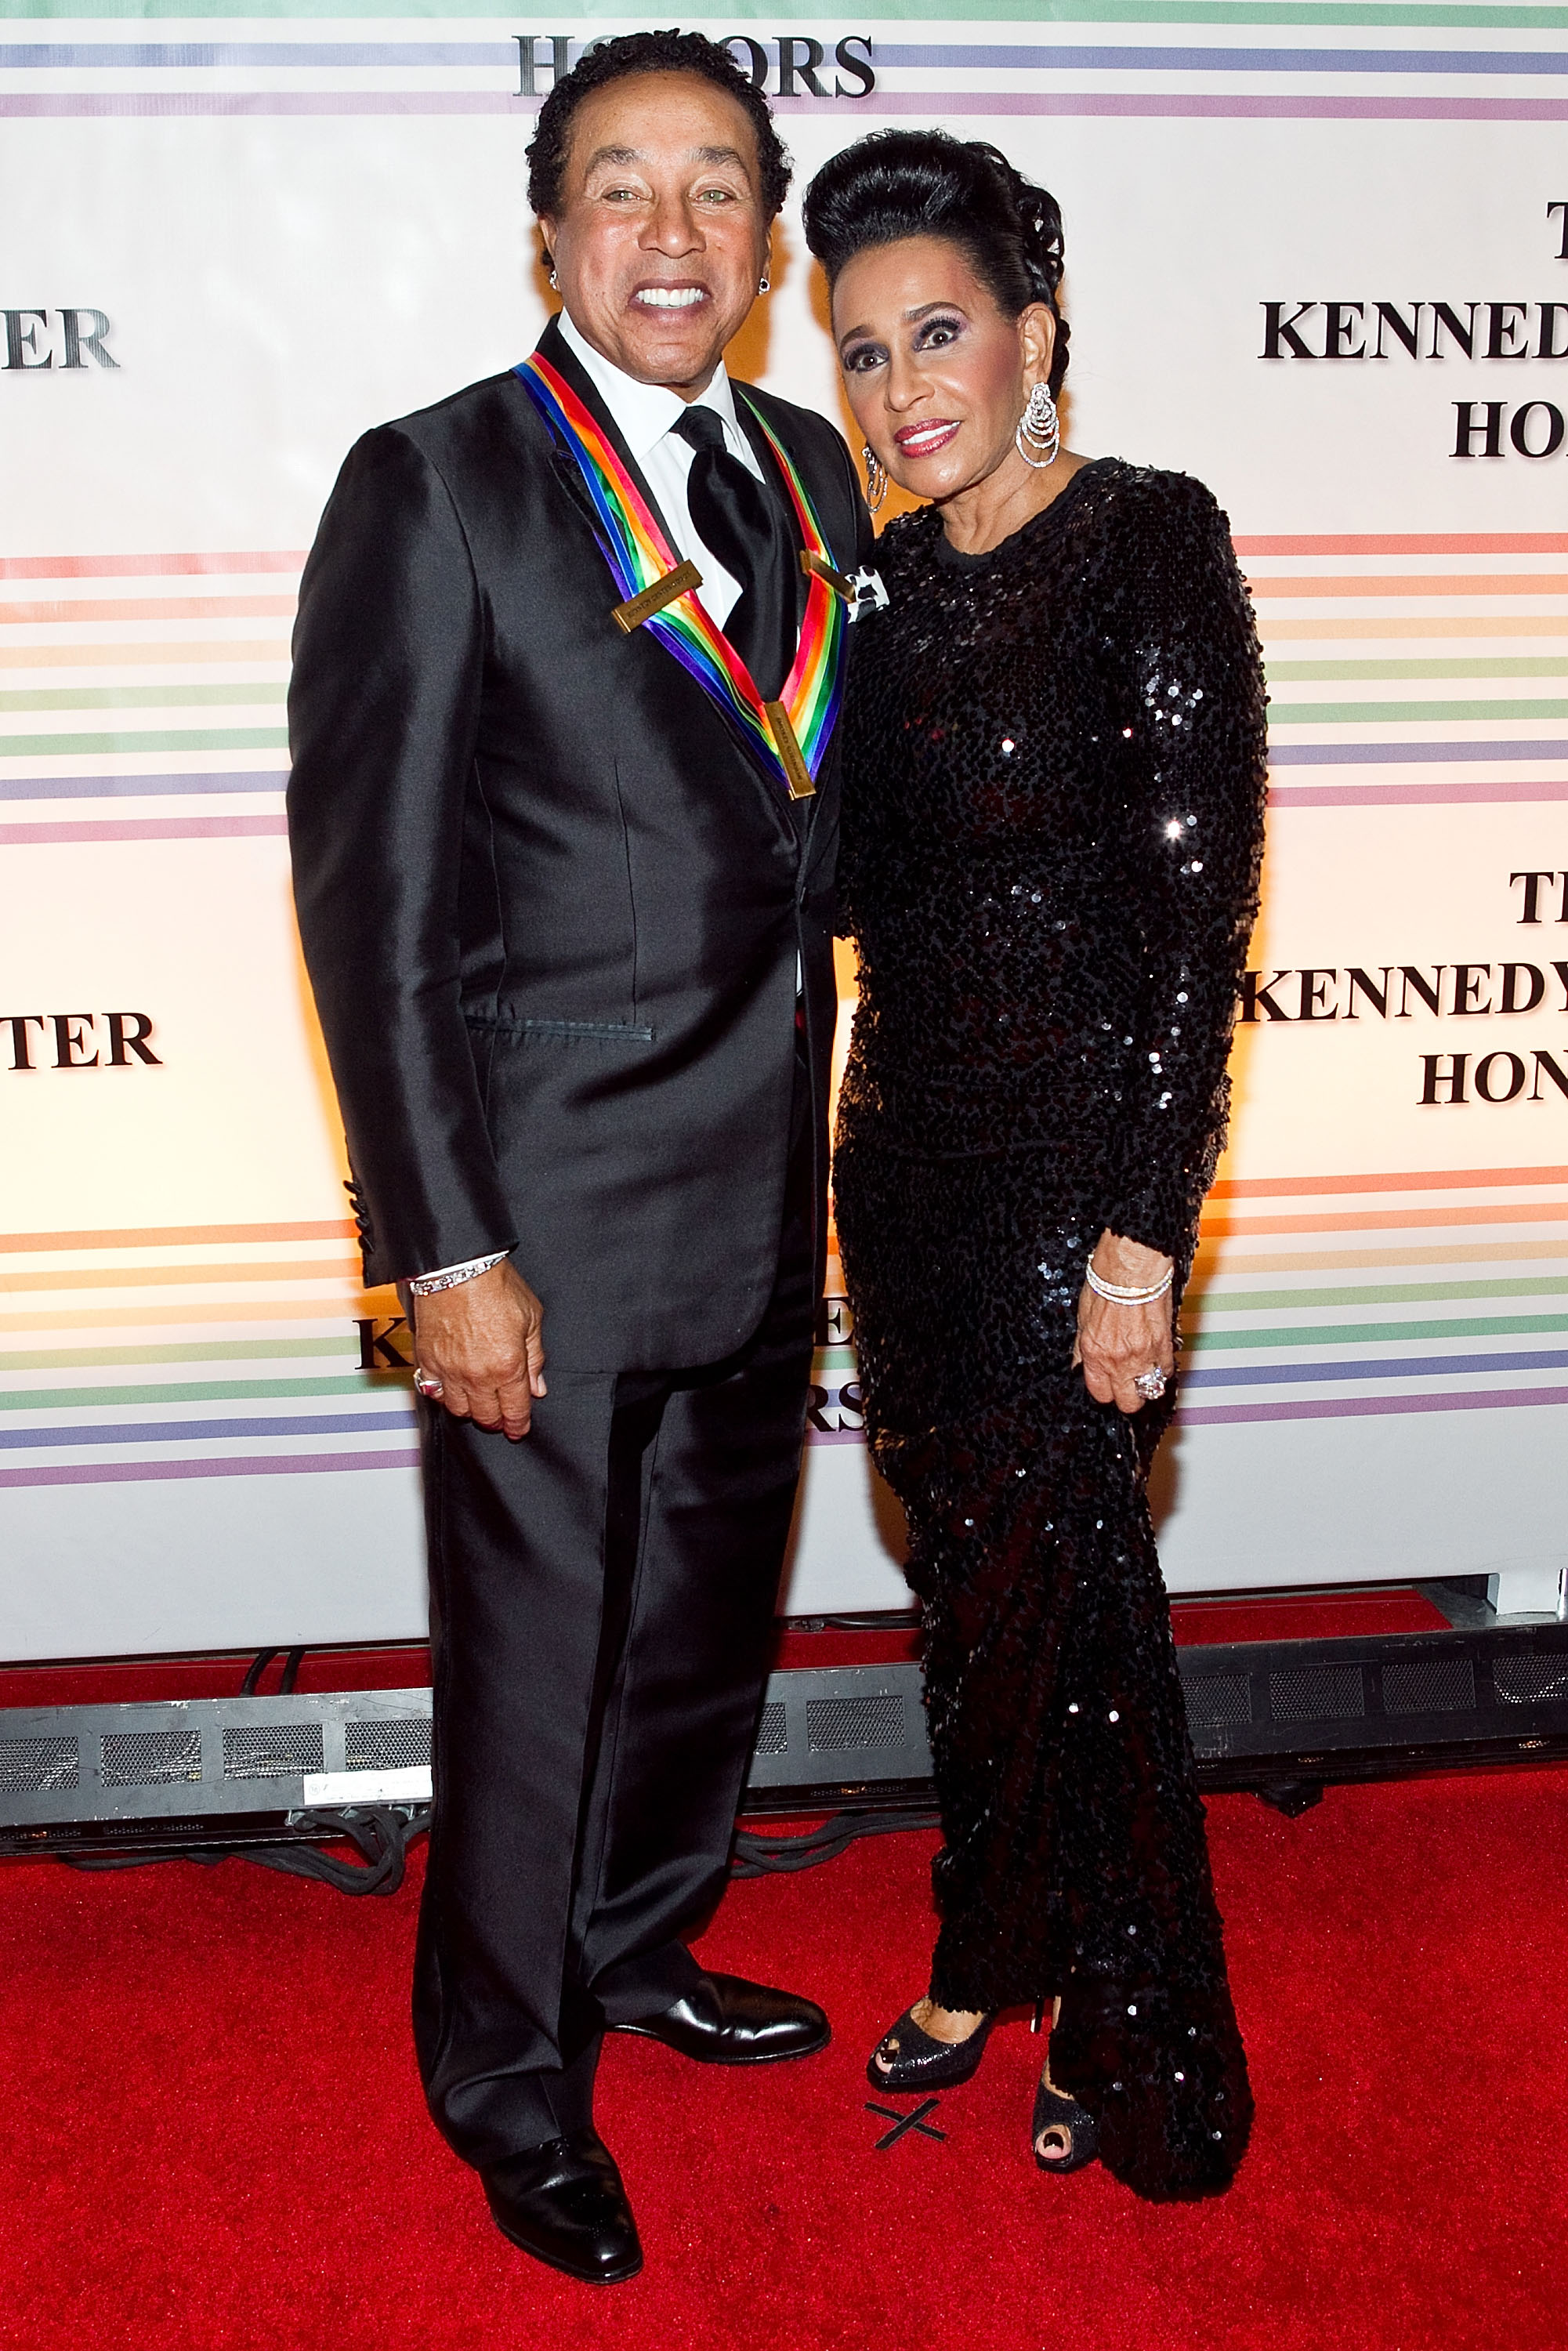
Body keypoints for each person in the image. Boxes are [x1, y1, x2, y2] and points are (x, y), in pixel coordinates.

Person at [288, 31, 871, 2284]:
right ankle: (510, 2079)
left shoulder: (814, 465)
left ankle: (639, 1949)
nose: (670, 233)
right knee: (534, 1667)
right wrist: (441, 1243)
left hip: (760, 1179)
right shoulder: (435, 486)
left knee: (700, 1635)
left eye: (717, 188)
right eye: (619, 187)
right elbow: (375, 901)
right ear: (545, 226)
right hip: (535, 1204)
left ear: (762, 238)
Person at [801, 130, 1266, 2201]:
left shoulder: (1146, 541)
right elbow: (820, 889)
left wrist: (1143, 1229)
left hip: (1071, 1190)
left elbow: (1196, 908)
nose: (903, 384)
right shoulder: (871, 592)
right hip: (898, 1172)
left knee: (1076, 1606)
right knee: (973, 1601)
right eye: (859, 350)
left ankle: (1125, 2008)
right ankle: (987, 1943)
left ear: (1033, 334)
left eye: (938, 332)